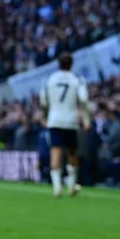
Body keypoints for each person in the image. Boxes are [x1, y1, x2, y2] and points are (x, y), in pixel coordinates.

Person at [39, 52, 90, 197]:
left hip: (55, 119)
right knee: (72, 152)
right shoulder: (77, 79)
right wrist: (86, 120)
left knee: (55, 151)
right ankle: (72, 186)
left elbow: (43, 100)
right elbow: (84, 99)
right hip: (71, 120)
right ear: (71, 64)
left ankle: (57, 188)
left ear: (58, 63)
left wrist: (46, 115)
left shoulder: (49, 79)